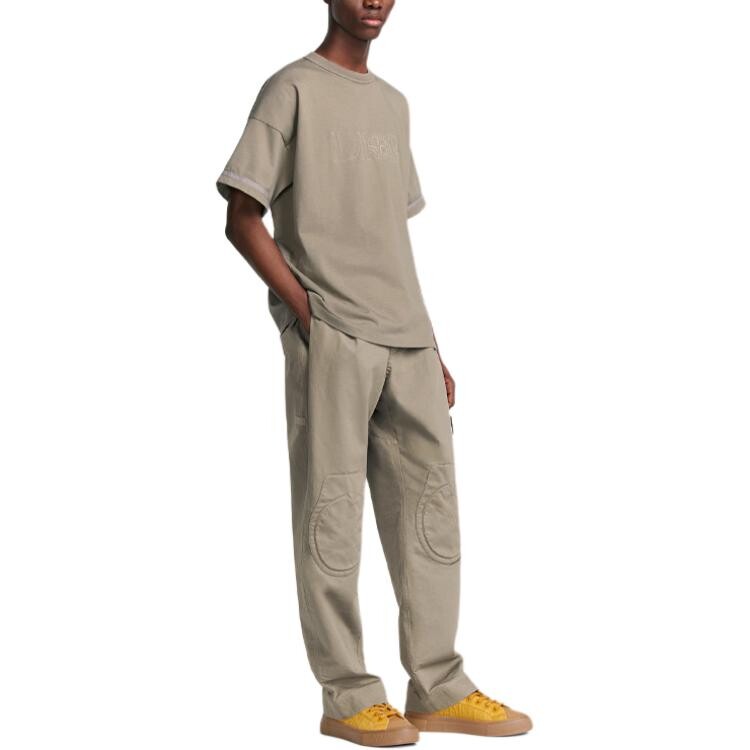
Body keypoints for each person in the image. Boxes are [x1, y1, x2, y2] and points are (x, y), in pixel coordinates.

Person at [216, 1, 533, 745]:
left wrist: (431, 343)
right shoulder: (291, 88)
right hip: (334, 337)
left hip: (409, 340)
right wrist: (306, 311)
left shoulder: (394, 104)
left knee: (432, 517)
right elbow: (240, 216)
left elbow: (387, 240)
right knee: (331, 515)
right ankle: (348, 695)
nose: (374, 0)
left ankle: (438, 686)